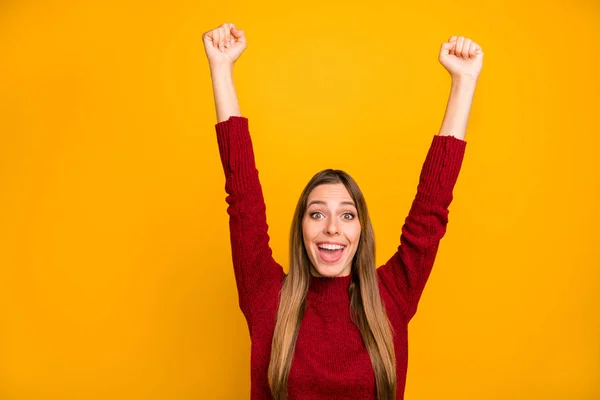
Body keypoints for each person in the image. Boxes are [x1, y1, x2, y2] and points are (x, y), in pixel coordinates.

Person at [202, 22, 483, 400]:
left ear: (361, 231)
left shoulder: (392, 297)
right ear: (300, 228)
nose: (332, 227)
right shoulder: (267, 295)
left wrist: (464, 83)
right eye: (317, 214)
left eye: (347, 215)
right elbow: (243, 196)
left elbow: (432, 206)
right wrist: (221, 68)